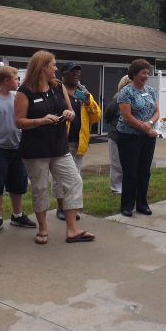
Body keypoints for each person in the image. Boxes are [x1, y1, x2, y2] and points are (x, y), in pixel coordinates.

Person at [14, 51, 93, 245]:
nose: (56, 69)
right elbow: (18, 121)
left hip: (59, 146)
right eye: (53, 65)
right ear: (43, 66)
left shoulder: (58, 86)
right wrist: (39, 121)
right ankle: (43, 228)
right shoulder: (24, 91)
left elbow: (70, 111)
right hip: (35, 149)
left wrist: (68, 113)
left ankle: (73, 229)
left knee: (74, 181)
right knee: (40, 188)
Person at [0, 65, 36, 235]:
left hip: (18, 150)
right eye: (16, 78)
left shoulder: (18, 98)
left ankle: (17, 216)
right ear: (6, 81)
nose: (18, 81)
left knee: (18, 184)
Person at [53, 62, 101, 221]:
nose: (76, 75)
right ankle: (60, 208)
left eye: (78, 72)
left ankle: (70, 208)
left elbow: (96, 117)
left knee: (75, 177)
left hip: (79, 143)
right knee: (59, 177)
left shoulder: (82, 94)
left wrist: (89, 103)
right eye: (72, 72)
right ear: (63, 74)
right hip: (61, 142)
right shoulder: (58, 92)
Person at [117, 59, 160, 217]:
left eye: (147, 73)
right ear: (134, 74)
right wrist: (145, 128)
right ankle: (127, 205)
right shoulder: (126, 92)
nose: (146, 76)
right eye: (143, 73)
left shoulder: (150, 90)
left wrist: (149, 124)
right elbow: (127, 117)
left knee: (144, 171)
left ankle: (142, 204)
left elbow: (157, 112)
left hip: (148, 137)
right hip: (128, 137)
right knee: (130, 172)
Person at [103, 75, 131, 196]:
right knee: (116, 163)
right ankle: (116, 189)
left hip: (130, 137)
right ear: (123, 85)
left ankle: (126, 186)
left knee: (128, 163)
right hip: (115, 136)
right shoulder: (116, 100)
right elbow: (107, 116)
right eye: (129, 83)